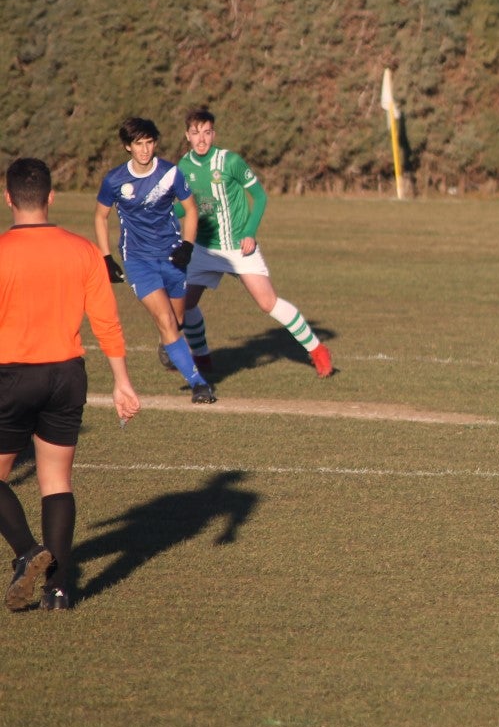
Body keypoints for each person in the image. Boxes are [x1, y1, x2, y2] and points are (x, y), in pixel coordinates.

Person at [0, 158, 142, 612]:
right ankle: (59, 590)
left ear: (8, 198)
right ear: (51, 197)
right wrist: (122, 382)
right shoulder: (83, 250)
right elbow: (107, 321)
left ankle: (27, 551)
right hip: (66, 375)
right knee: (56, 480)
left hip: (11, 376)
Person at [175, 108, 333, 378]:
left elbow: (259, 197)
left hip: (238, 247)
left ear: (214, 134)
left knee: (267, 303)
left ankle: (318, 351)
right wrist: (162, 212)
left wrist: (249, 232)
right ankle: (202, 358)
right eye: (195, 133)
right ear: (187, 135)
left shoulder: (230, 161)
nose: (201, 139)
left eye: (207, 133)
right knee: (184, 305)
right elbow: (185, 208)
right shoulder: (183, 167)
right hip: (203, 248)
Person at [94, 117, 215, 403]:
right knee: (165, 319)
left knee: (177, 320)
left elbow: (191, 210)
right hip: (138, 260)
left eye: (149, 143)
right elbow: (101, 216)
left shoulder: (170, 173)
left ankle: (167, 341)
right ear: (128, 146)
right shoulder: (114, 180)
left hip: (172, 256)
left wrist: (187, 246)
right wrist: (106, 257)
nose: (145, 149)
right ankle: (198, 384)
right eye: (139, 144)